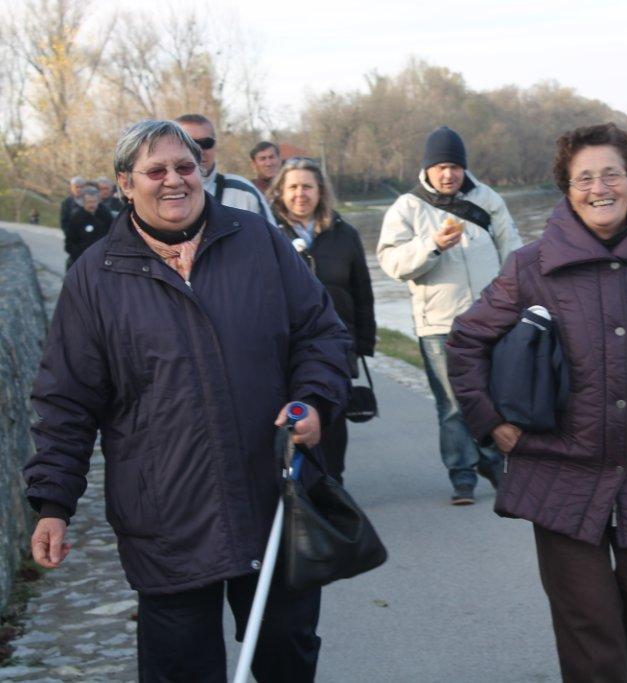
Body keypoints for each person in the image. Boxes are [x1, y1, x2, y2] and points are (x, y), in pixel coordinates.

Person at [24, 119, 351, 682]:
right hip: (167, 517)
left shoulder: (257, 240)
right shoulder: (94, 278)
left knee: (286, 658)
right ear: (126, 184)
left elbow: (321, 333)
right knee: (180, 670)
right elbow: (67, 402)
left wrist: (314, 399)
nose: (173, 180)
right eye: (156, 170)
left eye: (185, 166)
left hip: (272, 498)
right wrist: (53, 504)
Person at [446, 122, 627, 682]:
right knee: (589, 628)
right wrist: (493, 424)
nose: (600, 188)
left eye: (611, 174)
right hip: (561, 469)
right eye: (584, 178)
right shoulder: (531, 266)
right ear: (567, 189)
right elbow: (466, 341)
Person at [377, 125, 523, 505]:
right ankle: (461, 475)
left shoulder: (487, 198)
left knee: (495, 396)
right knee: (454, 403)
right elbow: (391, 262)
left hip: (492, 319)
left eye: (455, 166)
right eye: (441, 166)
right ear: (427, 169)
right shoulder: (407, 208)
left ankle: (494, 464)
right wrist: (432, 245)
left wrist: (519, 300)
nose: (448, 174)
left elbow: (513, 250)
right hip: (439, 324)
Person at [271, 156, 376, 480]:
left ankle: (333, 484)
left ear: (320, 192)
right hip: (285, 345)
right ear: (280, 192)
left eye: (307, 186)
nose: (300, 194)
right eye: (293, 187)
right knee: (293, 414)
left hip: (338, 343)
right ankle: (291, 484)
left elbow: (362, 291)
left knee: (332, 418)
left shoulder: (344, 233)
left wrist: (362, 345)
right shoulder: (267, 234)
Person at [174, 113, 273, 221]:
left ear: (215, 145)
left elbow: (271, 236)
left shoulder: (244, 192)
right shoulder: (160, 194)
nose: (199, 150)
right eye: (189, 143)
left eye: (207, 143)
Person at [62, 186, 113, 269]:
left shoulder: (105, 214)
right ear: (83, 202)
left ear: (98, 201)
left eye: (94, 202)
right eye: (89, 202)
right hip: (82, 260)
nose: (92, 205)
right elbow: (69, 243)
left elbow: (113, 234)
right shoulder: (77, 218)